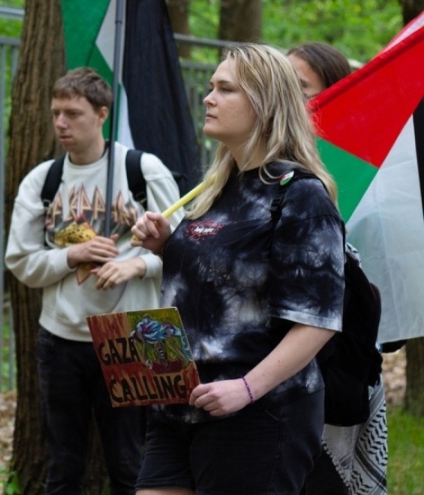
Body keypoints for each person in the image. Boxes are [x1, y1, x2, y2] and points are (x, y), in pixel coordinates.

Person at [130, 43, 344, 495]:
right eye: (211, 87)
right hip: (179, 405)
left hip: (258, 413)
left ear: (266, 105)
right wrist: (169, 247)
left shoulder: (300, 195)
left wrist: (245, 389)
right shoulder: (214, 188)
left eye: (225, 89)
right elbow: (224, 278)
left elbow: (318, 321)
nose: (208, 97)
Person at [5, 67, 182, 494]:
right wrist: (72, 255)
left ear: (102, 114)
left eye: (73, 113)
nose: (61, 123)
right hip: (62, 337)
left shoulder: (143, 170)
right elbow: (20, 261)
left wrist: (137, 265)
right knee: (63, 465)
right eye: (55, 113)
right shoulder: (43, 180)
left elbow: (187, 248)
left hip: (135, 332)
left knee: (132, 463)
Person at [288, 42, 388, 495]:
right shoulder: (260, 173)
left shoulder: (361, 183)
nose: (286, 100)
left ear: (336, 98)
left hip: (333, 379)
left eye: (301, 90)